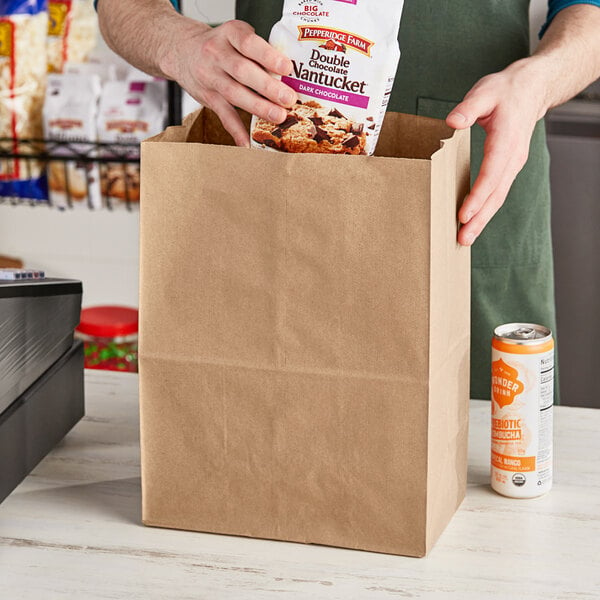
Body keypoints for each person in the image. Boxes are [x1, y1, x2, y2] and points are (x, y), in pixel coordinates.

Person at [96, 0, 600, 400]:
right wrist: (179, 43)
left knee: (491, 462)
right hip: (278, 167)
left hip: (471, 180)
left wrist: (541, 80)